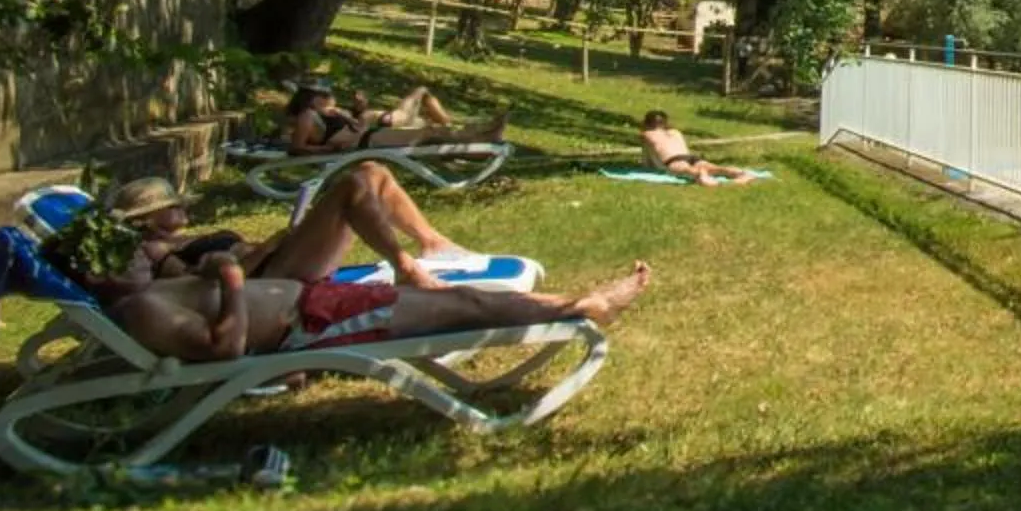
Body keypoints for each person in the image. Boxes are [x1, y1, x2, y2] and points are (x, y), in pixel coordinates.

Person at [114, 257, 651, 364]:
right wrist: (232, 279)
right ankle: (582, 306)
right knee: (461, 307)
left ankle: (576, 303)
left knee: (458, 301)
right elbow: (224, 351)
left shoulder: (152, 290)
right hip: (314, 325)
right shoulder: (141, 308)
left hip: (318, 303)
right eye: (126, 253)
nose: (141, 251)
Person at [88, 167, 469, 301]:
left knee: (372, 172)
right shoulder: (155, 252)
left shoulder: (173, 240)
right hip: (269, 285)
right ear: (147, 219)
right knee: (354, 185)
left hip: (274, 265)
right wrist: (264, 249)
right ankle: (405, 266)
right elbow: (198, 288)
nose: (183, 209)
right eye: (173, 206)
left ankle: (431, 242)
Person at [282, 79, 503, 155]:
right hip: (365, 140)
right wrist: (328, 149)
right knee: (428, 132)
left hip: (369, 134)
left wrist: (357, 109)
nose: (331, 95)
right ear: (313, 98)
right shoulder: (308, 116)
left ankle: (482, 136)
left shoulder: (324, 113)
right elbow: (296, 148)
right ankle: (483, 138)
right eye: (326, 93)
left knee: (429, 131)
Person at [639, 110, 748, 186]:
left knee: (687, 170)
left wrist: (649, 167)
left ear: (647, 123)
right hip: (690, 157)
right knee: (713, 168)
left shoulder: (647, 134)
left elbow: (648, 157)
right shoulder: (675, 132)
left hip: (673, 160)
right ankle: (738, 173)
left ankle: (700, 175)